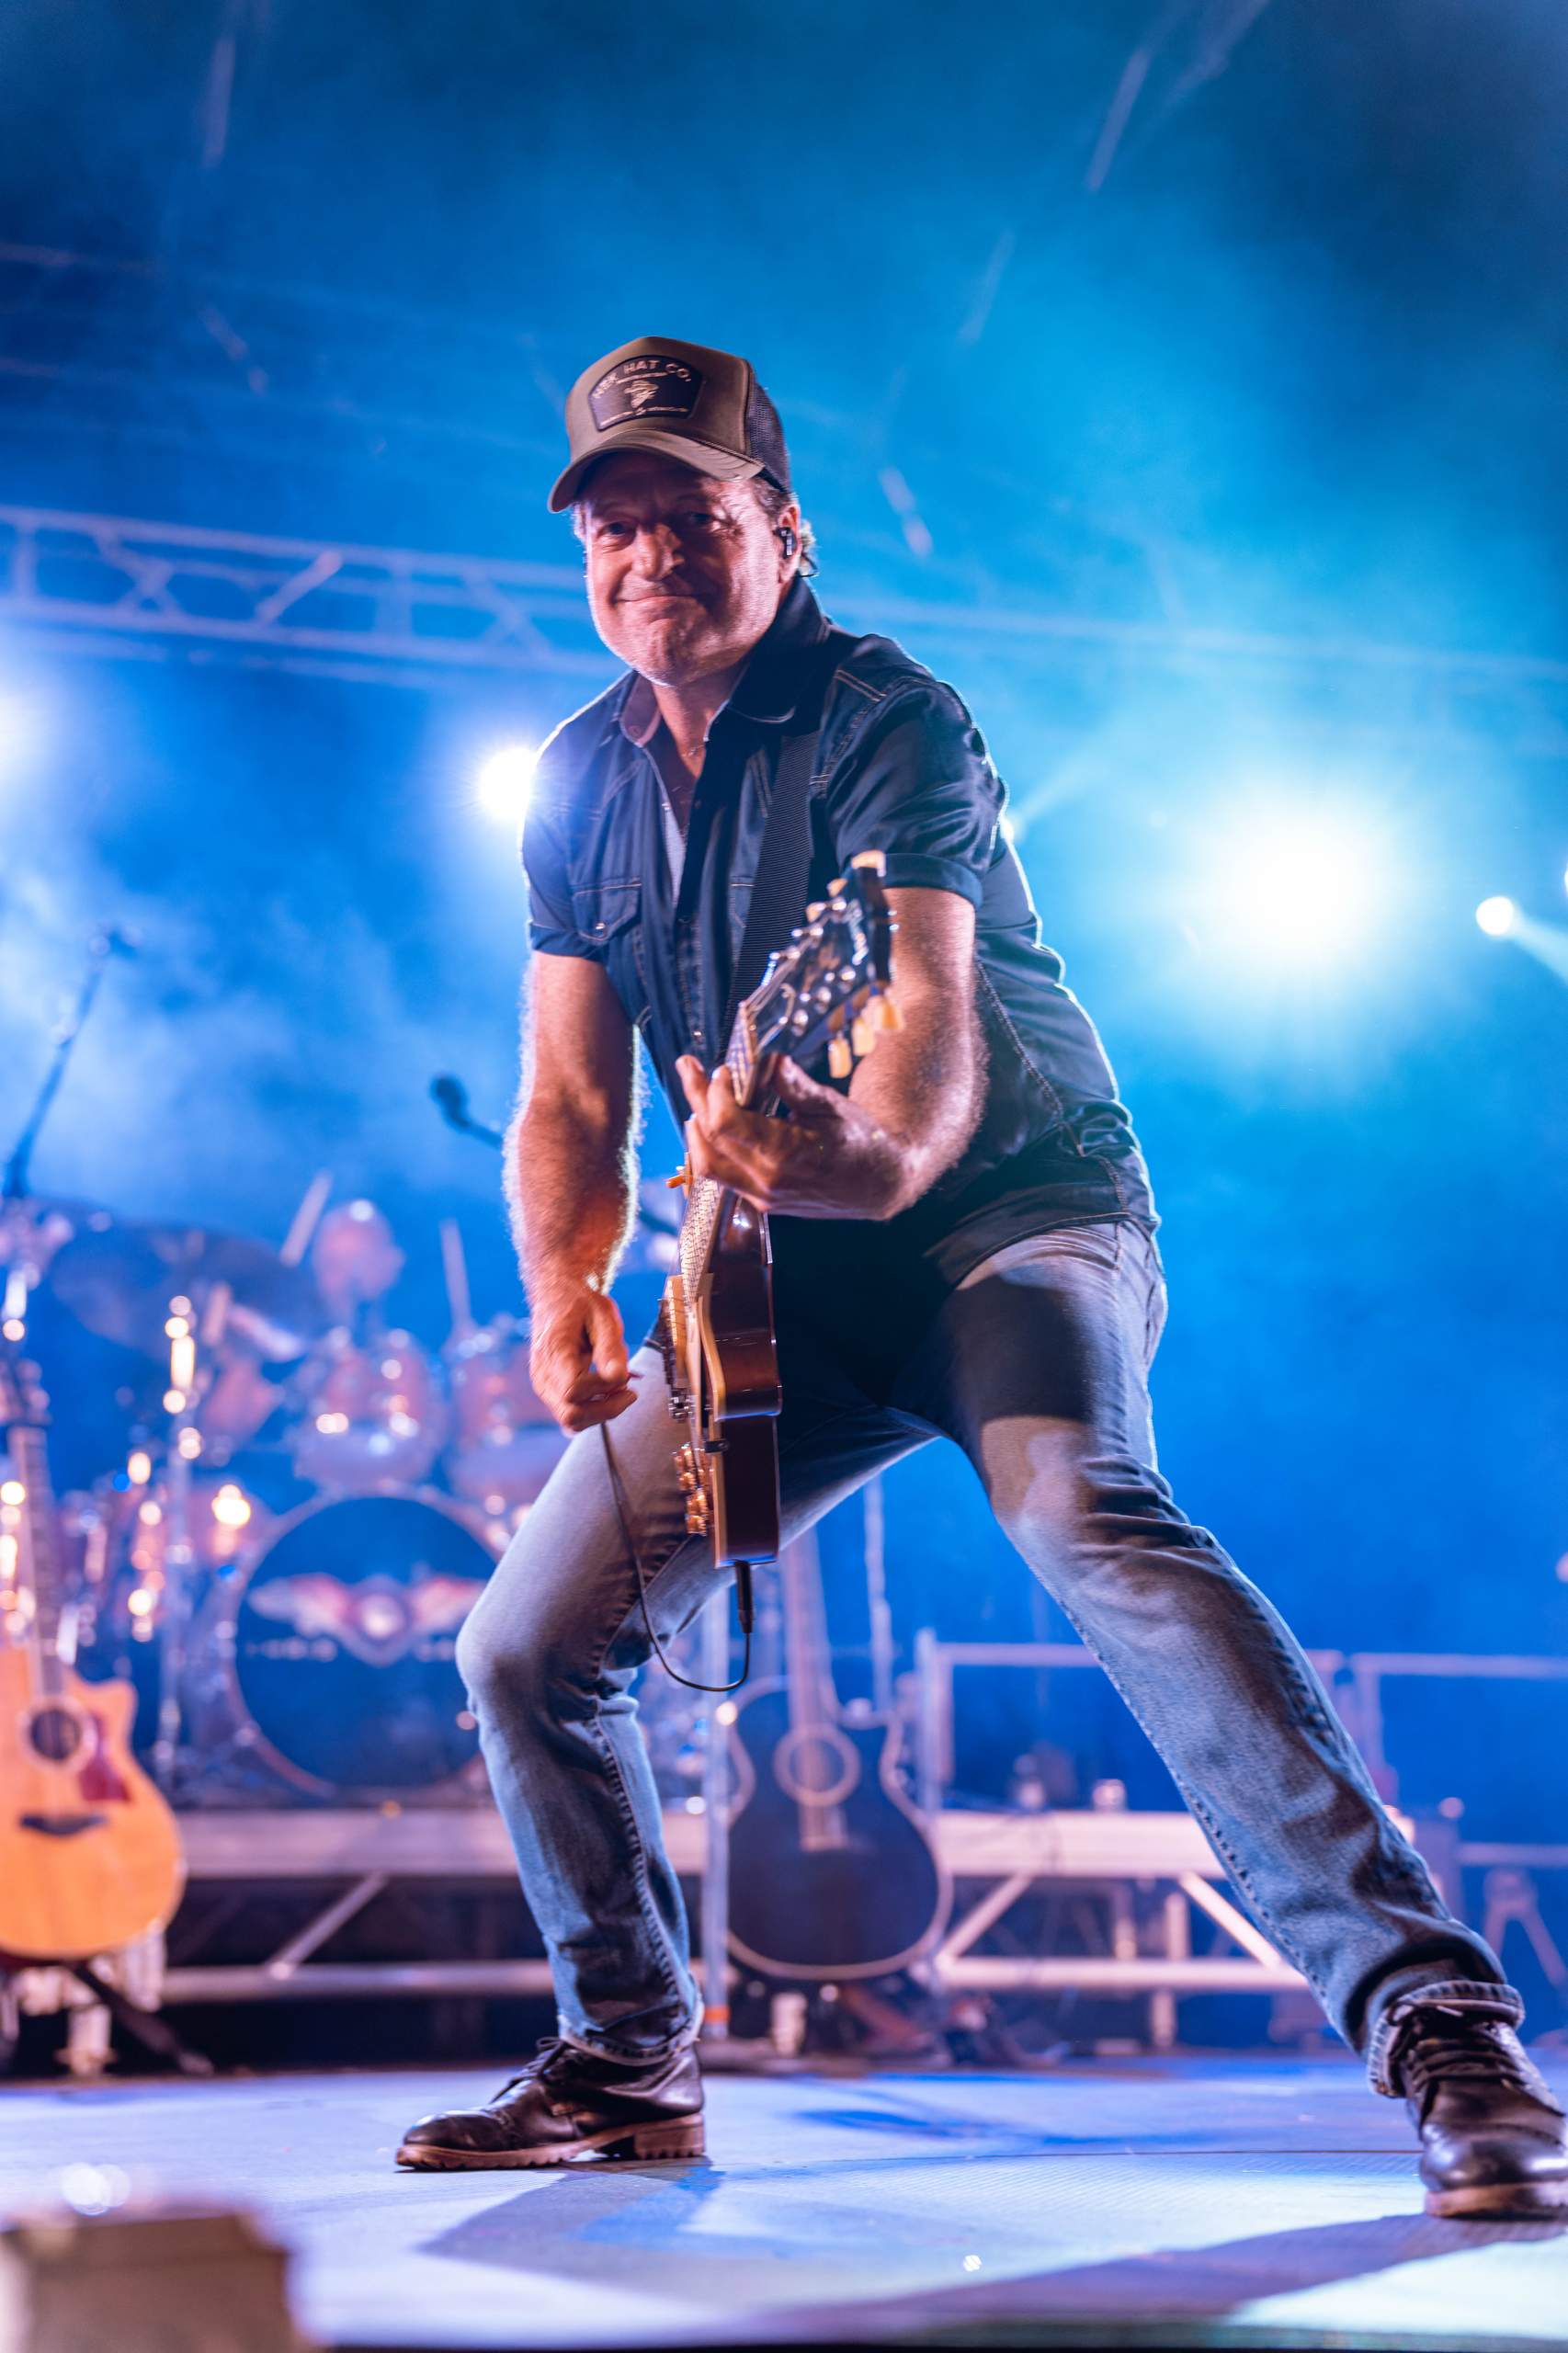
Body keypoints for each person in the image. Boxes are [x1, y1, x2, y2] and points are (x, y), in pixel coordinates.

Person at [399, 335, 1566, 2214]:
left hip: (1002, 1216)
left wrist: (836, 1156)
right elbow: (559, 1092)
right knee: (520, 1645)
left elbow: (926, 1055)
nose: (646, 561)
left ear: (775, 519)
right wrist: (562, 1293)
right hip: (771, 1279)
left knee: (1087, 1516)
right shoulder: (573, 779)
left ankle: (1440, 2024)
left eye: (687, 517)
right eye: (610, 530)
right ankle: (625, 2055)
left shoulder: (890, 715)